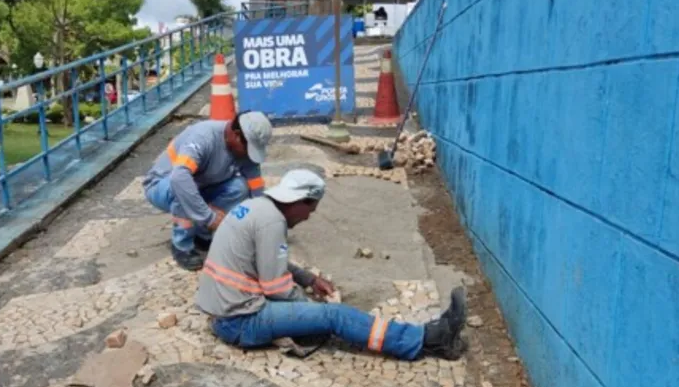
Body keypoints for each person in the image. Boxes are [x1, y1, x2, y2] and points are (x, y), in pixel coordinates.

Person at [195, 169, 468, 361]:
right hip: (241, 322)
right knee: (334, 316)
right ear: (300, 202)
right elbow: (276, 288)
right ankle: (428, 339)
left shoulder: (257, 208)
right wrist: (310, 309)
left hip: (224, 314)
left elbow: (267, 260)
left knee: (322, 314)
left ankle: (425, 336)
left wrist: (308, 279)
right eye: (310, 210)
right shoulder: (272, 222)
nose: (307, 218)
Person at [144, 111, 272, 270]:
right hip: (162, 185)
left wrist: (263, 220)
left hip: (200, 185)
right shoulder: (204, 137)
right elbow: (179, 177)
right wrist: (209, 217)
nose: (248, 154)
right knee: (184, 186)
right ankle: (182, 246)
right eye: (248, 148)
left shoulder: (243, 148)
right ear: (236, 135)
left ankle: (202, 236)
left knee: (239, 187)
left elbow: (255, 184)